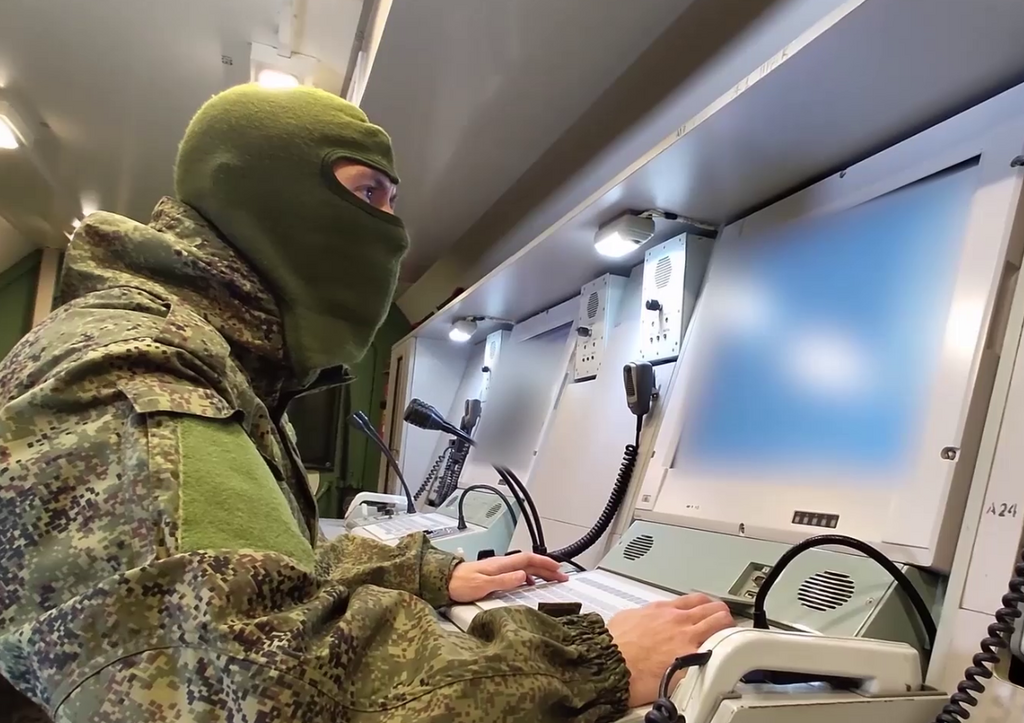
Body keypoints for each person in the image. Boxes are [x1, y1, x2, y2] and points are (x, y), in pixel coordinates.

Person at [0, 85, 733, 722]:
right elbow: (248, 689)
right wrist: (591, 659)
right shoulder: (138, 374)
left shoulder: (211, 361)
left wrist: (429, 573)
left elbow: (262, 562)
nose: (392, 231)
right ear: (264, 195)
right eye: (367, 192)